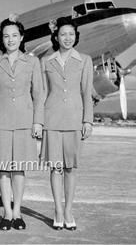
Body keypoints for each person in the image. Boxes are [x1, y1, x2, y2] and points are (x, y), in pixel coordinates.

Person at [0, 14, 44, 231]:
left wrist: (38, 122)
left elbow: (39, 94)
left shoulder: (32, 62)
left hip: (24, 121)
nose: (10, 39)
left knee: (19, 170)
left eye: (14, 35)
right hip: (0, 121)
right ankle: (6, 213)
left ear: (21, 38)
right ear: (2, 40)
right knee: (3, 169)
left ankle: (18, 212)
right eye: (6, 36)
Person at [40, 17, 93, 231]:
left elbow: (86, 92)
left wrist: (87, 120)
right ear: (56, 36)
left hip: (74, 119)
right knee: (56, 168)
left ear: (76, 36)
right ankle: (58, 211)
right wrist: (38, 121)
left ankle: (69, 209)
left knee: (70, 168)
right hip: (51, 120)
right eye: (63, 34)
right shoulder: (46, 61)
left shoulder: (85, 60)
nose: (67, 38)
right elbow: (42, 93)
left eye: (71, 34)